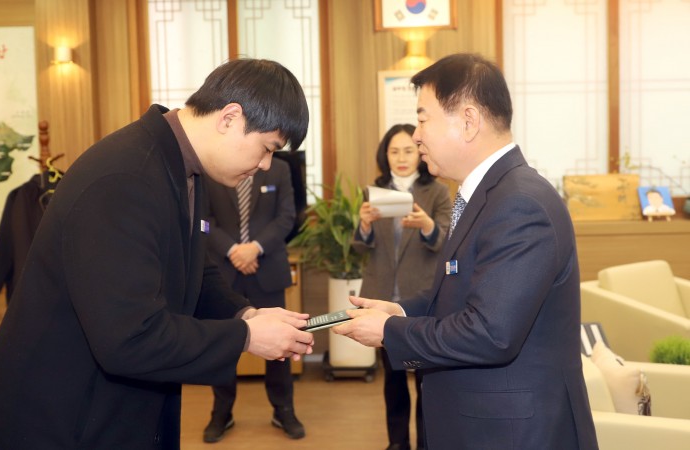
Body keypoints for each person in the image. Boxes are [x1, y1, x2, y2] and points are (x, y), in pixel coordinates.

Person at [0, 58, 315, 450]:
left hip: (115, 407)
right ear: (230, 118)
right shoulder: (125, 179)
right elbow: (131, 337)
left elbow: (194, 269)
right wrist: (246, 336)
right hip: (62, 417)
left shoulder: (184, 167)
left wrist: (245, 314)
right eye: (267, 148)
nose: (266, 165)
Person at [334, 53, 599, 450]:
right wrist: (400, 310)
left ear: (469, 121)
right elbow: (460, 293)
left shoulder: (520, 203)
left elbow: (490, 333)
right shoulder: (487, 194)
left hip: (512, 434)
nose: (417, 136)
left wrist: (389, 331)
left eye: (423, 119)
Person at [352, 124, 451, 450]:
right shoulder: (374, 192)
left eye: (408, 150)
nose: (401, 157)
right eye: (394, 151)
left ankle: (426, 443)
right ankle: (397, 443)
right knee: (392, 380)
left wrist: (427, 226)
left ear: (420, 153)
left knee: (426, 381)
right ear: (386, 155)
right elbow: (360, 246)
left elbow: (447, 243)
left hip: (420, 299)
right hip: (381, 295)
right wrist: (364, 225)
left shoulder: (437, 191)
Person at [201, 156, 304, 442]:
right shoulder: (214, 166)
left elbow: (286, 217)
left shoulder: (279, 169)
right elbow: (203, 221)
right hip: (223, 271)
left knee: (281, 342)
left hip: (267, 267)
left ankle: (283, 409)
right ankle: (222, 412)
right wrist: (233, 250)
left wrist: (254, 248)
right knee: (222, 345)